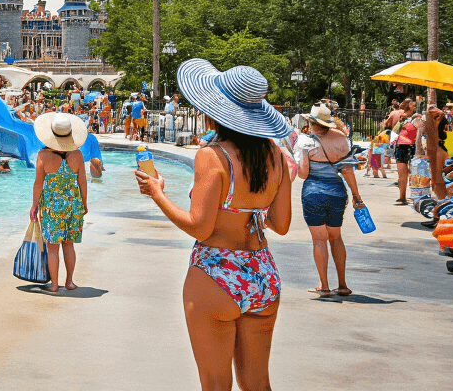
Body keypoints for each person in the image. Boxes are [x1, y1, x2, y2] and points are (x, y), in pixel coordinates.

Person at [136, 59, 292, 391]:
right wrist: (247, 206)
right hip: (263, 274)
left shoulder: (212, 156)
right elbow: (280, 224)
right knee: (257, 383)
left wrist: (156, 193)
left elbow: (199, 227)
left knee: (216, 384)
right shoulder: (276, 156)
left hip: (215, 273)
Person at [296, 104, 364, 297]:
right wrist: (357, 197)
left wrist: (296, 159)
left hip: (313, 194)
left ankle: (324, 286)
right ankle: (342, 284)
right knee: (336, 237)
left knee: (319, 240)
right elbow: (348, 171)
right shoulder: (341, 139)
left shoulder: (307, 142)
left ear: (312, 122)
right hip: (337, 193)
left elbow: (303, 174)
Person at [29, 112, 88, 293]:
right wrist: (84, 203)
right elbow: (82, 182)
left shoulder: (43, 156)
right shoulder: (77, 155)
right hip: (73, 206)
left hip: (52, 207)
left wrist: (34, 205)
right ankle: (69, 282)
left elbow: (38, 183)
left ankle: (54, 285)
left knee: (52, 247)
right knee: (68, 244)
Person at [386, 98, 416, 204]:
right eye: (413, 104)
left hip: (400, 145)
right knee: (407, 174)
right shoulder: (413, 117)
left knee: (403, 173)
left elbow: (386, 125)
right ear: (409, 105)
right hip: (409, 146)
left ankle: (403, 197)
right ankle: (405, 197)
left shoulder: (395, 114)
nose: (415, 106)